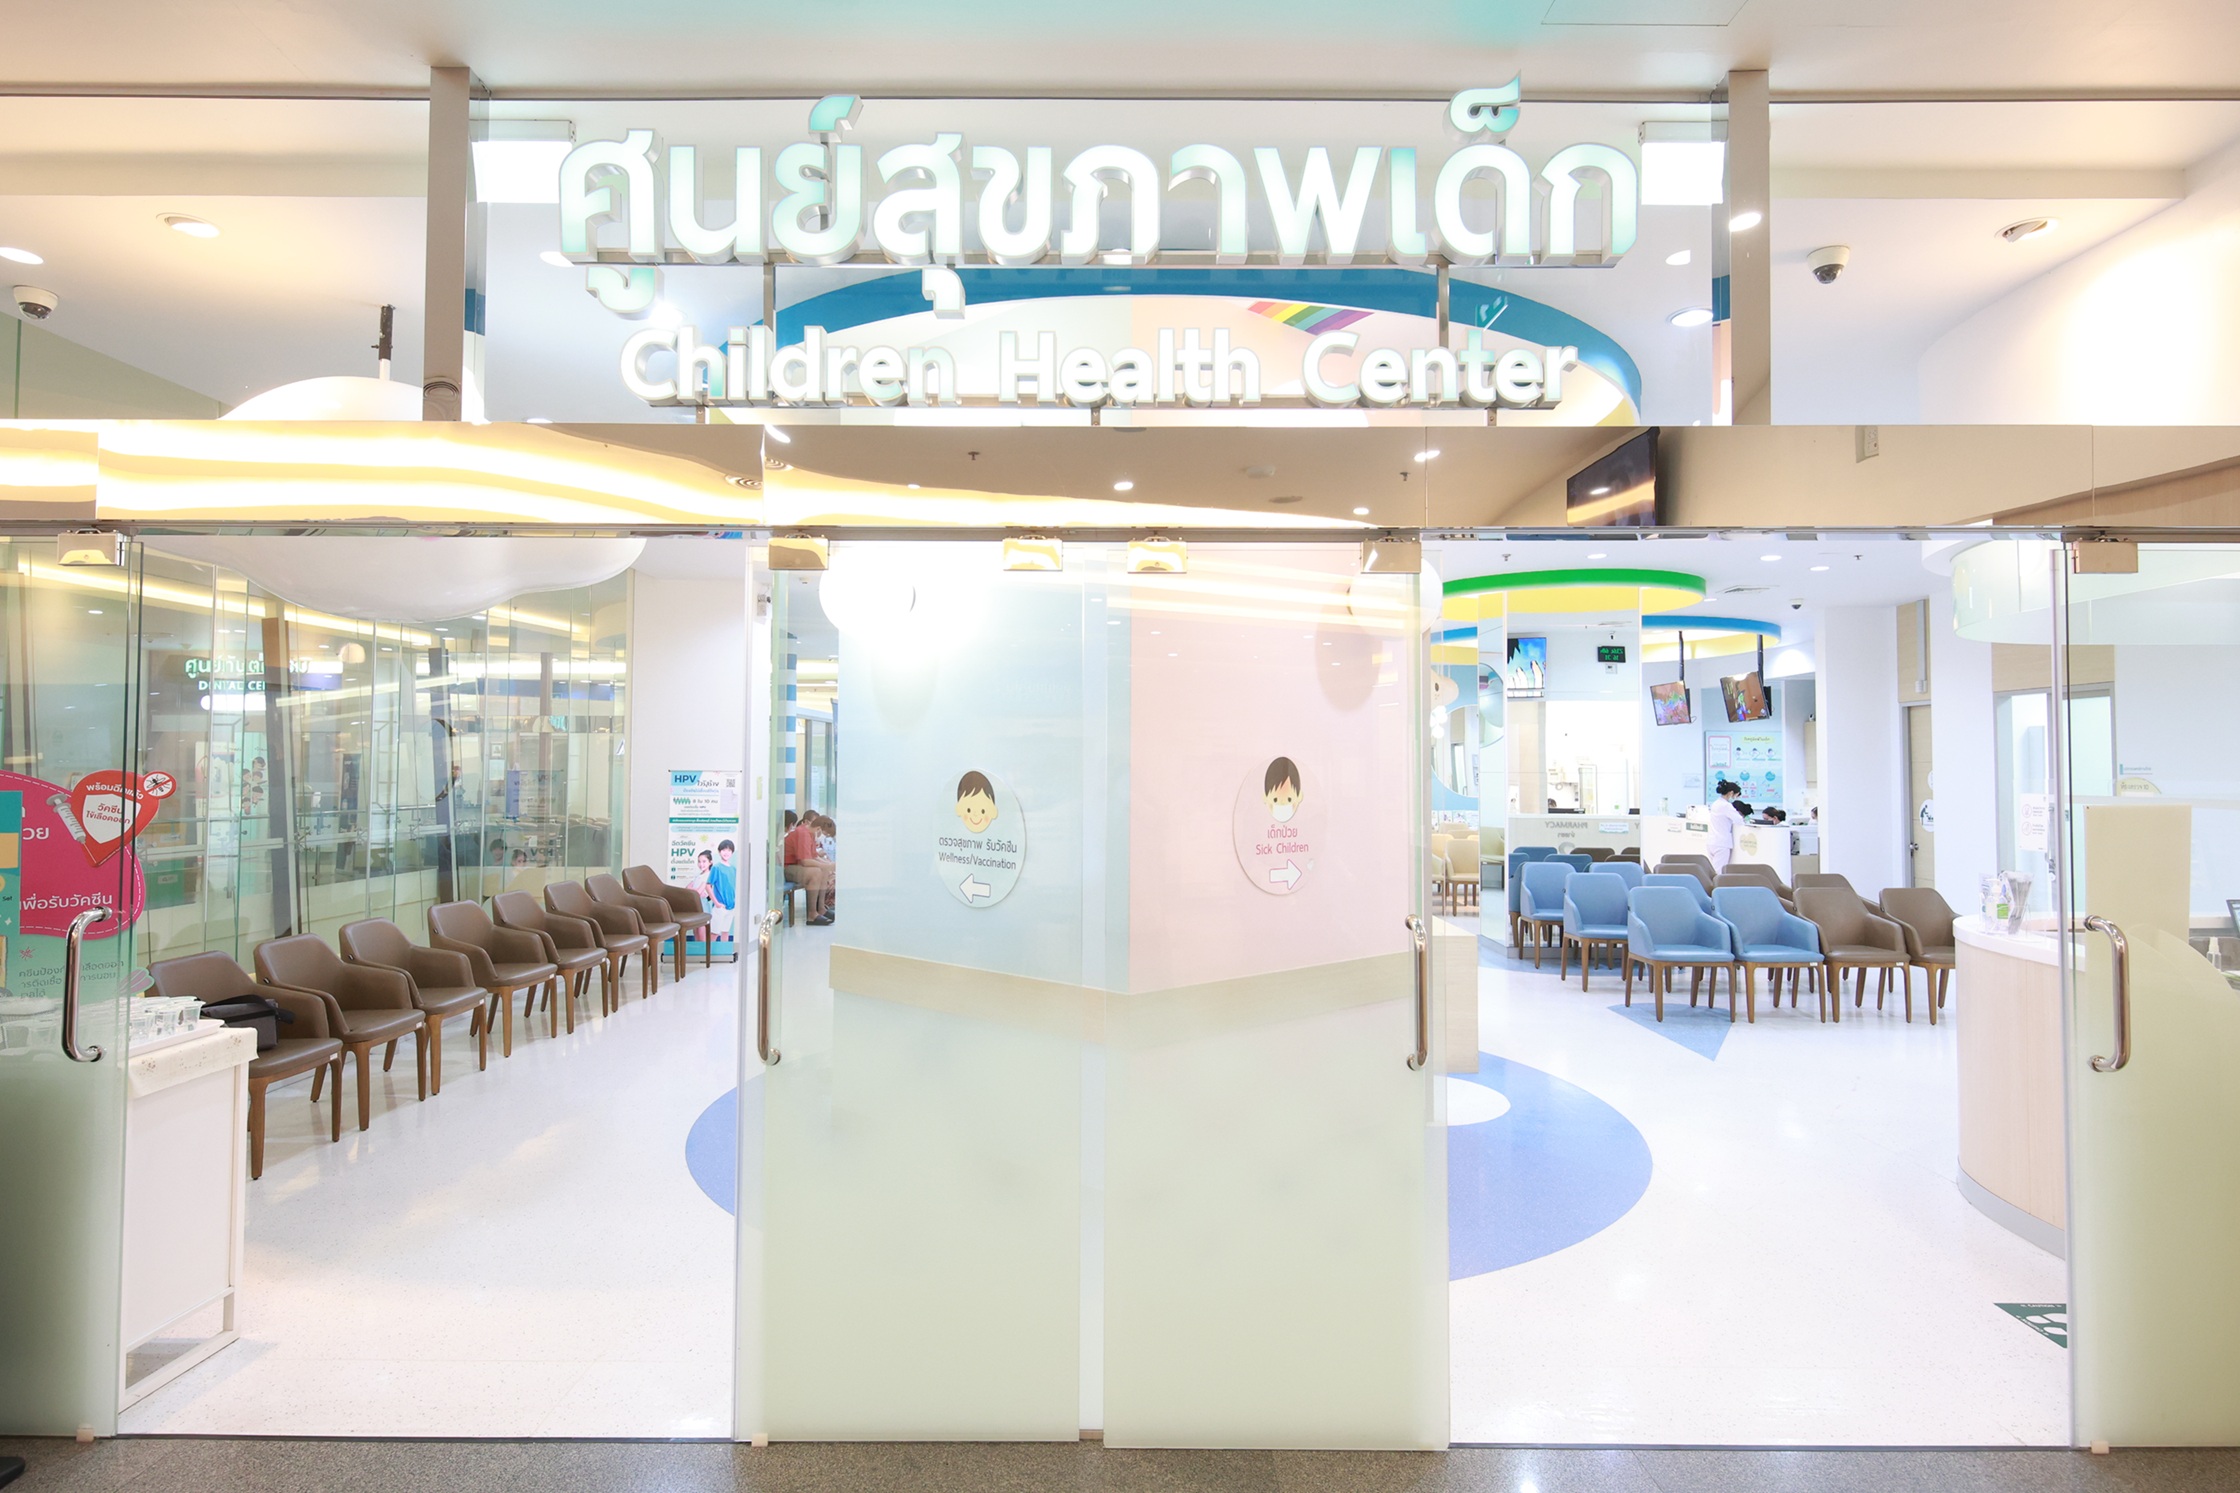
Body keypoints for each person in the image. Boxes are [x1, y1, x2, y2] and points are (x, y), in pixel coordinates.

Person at [783, 811, 834, 925]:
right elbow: (805, 861)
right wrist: (828, 865)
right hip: (786, 867)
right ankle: (812, 914)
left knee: (824, 870)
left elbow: (814, 856)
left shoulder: (810, 833)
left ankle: (821, 908)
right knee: (815, 872)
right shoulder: (802, 833)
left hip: (796, 865)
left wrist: (827, 865)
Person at [1707, 779, 1746, 872]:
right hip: (1721, 844)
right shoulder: (1726, 806)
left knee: (1714, 870)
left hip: (1712, 842)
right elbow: (1739, 820)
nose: (1736, 798)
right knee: (1719, 871)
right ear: (1731, 793)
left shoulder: (1716, 803)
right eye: (1736, 795)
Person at [707, 838, 738, 942]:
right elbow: (708, 886)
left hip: (731, 906)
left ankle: (725, 951)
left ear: (732, 852)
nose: (726, 853)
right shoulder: (716, 868)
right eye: (724, 850)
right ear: (719, 851)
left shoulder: (733, 869)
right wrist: (717, 903)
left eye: (729, 850)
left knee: (725, 932)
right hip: (720, 907)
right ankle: (709, 952)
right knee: (714, 933)